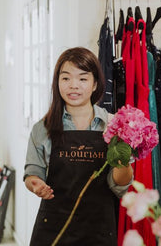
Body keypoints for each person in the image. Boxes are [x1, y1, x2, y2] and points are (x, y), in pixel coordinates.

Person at [24, 47, 133, 246]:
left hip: (99, 230)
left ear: (95, 84)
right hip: (54, 229)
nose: (73, 85)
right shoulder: (43, 128)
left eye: (82, 79)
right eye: (66, 78)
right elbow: (33, 172)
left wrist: (122, 156)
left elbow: (121, 186)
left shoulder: (113, 125)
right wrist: (35, 184)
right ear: (57, 82)